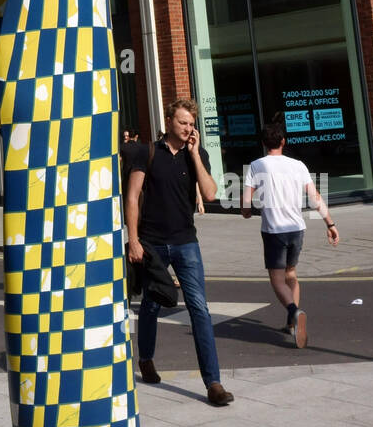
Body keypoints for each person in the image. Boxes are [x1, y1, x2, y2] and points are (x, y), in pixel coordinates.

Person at [126, 97, 233, 407]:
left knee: (199, 308)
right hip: (152, 242)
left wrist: (195, 155)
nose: (188, 128)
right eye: (183, 123)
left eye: (191, 124)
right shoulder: (146, 153)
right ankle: (145, 357)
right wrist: (133, 240)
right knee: (151, 304)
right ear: (169, 122)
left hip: (186, 241)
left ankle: (213, 382)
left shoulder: (196, 155)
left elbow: (211, 194)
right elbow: (132, 198)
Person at [242, 116, 340, 349]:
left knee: (277, 280)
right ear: (283, 141)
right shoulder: (299, 165)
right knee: (291, 274)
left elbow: (246, 201)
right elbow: (315, 198)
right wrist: (330, 224)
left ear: (265, 144)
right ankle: (292, 325)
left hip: (274, 230)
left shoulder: (256, 166)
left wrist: (246, 212)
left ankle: (294, 311)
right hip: (297, 229)